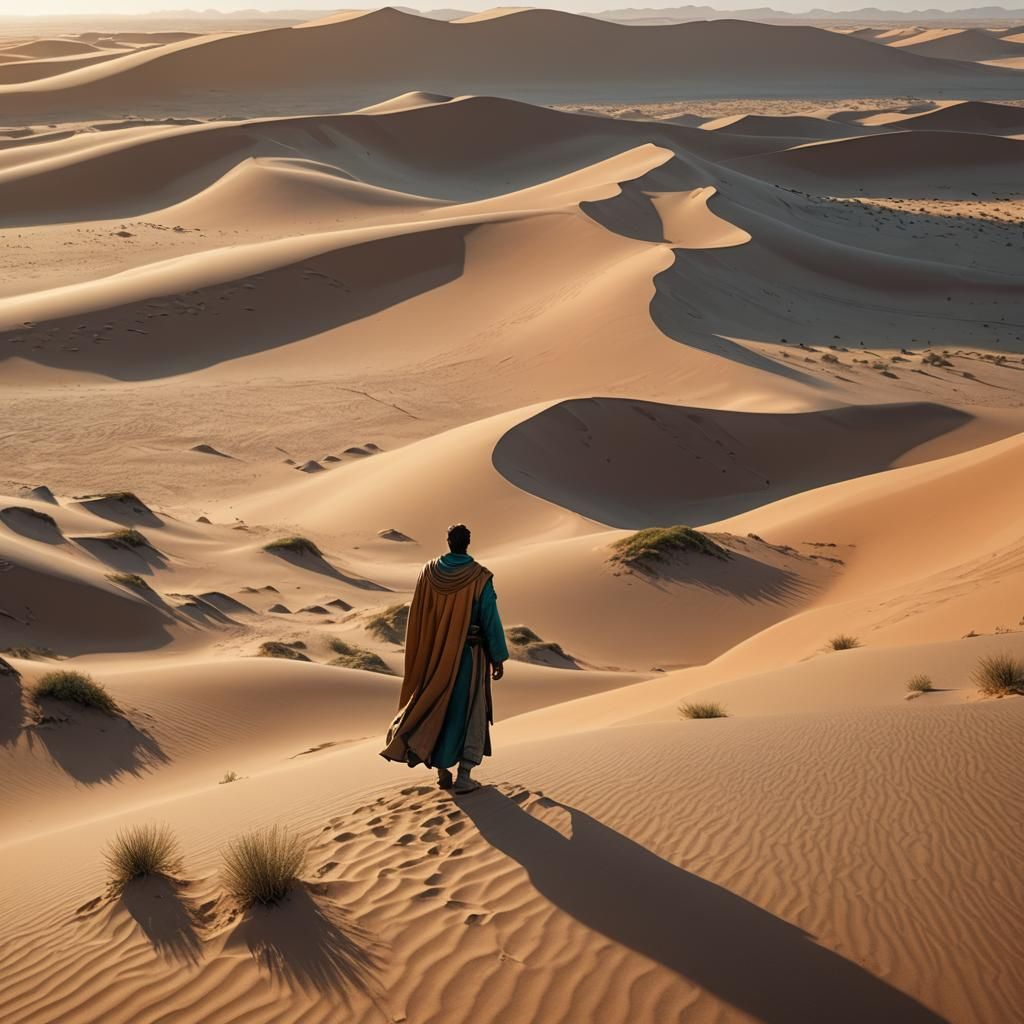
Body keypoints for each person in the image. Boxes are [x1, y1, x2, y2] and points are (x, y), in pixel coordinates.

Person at [380, 523, 509, 794]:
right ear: (468, 543)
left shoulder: (429, 572)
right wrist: (498, 657)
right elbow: (490, 619)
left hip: (435, 655)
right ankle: (464, 775)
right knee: (469, 711)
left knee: (437, 707)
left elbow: (419, 615)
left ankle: (442, 772)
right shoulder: (479, 577)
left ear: (448, 542)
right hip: (468, 656)